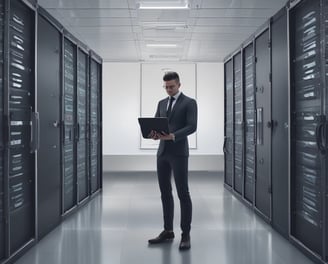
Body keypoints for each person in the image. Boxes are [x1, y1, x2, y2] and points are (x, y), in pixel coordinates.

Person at [148, 71, 197, 250]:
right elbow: (155, 122)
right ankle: (168, 230)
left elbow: (192, 126)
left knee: (183, 193)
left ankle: (186, 234)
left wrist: (173, 136)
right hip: (162, 153)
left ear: (179, 85)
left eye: (171, 86)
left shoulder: (189, 103)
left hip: (178, 153)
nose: (168, 89)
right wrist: (153, 133)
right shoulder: (161, 103)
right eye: (166, 87)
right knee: (165, 193)